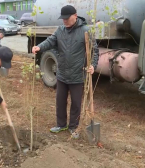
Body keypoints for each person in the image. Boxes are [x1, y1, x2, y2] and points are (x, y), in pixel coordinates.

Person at [32, 5, 99, 138]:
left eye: (67, 18)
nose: (64, 21)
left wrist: (93, 65)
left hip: (77, 75)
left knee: (76, 103)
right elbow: (50, 41)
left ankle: (73, 126)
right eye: (63, 19)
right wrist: (39, 47)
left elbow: (94, 51)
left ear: (75, 15)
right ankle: (61, 124)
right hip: (62, 73)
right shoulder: (60, 30)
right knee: (60, 101)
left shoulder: (85, 31)